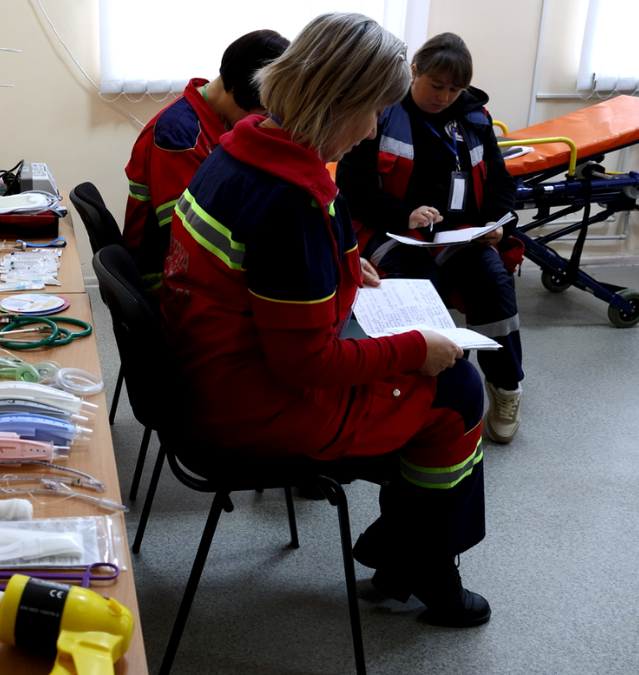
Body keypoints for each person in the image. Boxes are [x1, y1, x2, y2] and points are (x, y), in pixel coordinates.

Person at [161, 13, 491, 627]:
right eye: (372, 113)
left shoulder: (243, 145)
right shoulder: (292, 199)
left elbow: (266, 270)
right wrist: (416, 348)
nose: (370, 131)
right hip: (255, 404)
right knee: (458, 392)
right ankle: (427, 569)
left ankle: (405, 556)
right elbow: (305, 362)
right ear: (336, 103)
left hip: (206, 374)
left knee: (442, 379)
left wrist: (340, 266)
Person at [336, 33, 523, 444]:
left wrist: (497, 224)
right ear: (414, 71)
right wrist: (405, 214)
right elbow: (351, 183)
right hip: (393, 232)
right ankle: (432, 391)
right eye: (436, 85)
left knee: (492, 281)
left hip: (460, 236)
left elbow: (500, 181)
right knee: (420, 285)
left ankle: (506, 386)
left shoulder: (475, 118)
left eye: (454, 89)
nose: (444, 97)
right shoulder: (382, 111)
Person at [123, 30, 289, 292]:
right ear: (234, 88)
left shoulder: (218, 122)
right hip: (159, 273)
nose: (264, 120)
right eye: (263, 110)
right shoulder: (178, 136)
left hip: (186, 260)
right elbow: (188, 231)